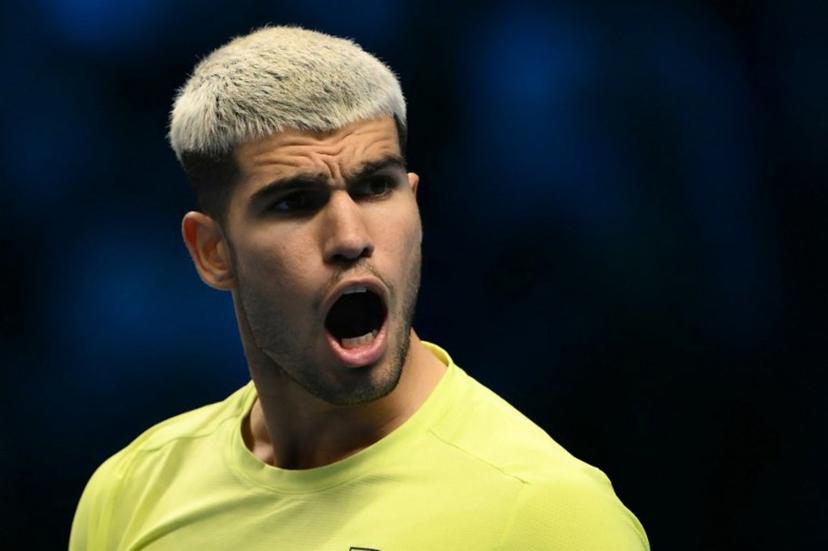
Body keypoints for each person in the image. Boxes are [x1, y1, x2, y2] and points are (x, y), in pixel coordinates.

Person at [69, 25, 649, 550]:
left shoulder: (550, 513)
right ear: (212, 251)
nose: (350, 238)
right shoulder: (131, 493)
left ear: (415, 204)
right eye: (295, 202)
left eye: (375, 187)